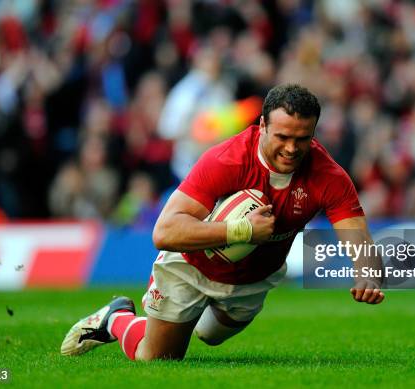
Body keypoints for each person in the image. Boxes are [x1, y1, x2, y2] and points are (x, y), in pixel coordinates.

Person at [60, 84, 385, 361]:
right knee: (156, 357)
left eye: (302, 139)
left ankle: (184, 319)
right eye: (283, 136)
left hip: (253, 278)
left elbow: (359, 241)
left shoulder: (328, 175)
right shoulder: (225, 160)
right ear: (262, 126)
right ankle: (116, 317)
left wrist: (369, 275)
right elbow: (164, 232)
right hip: (191, 265)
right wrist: (241, 230)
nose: (291, 148)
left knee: (210, 335)